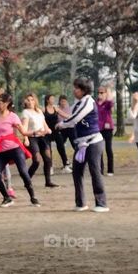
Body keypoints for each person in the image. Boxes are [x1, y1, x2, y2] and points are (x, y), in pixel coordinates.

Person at [56, 78, 108, 212]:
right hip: (81, 144)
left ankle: (101, 204)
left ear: (84, 90)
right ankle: (81, 203)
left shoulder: (89, 102)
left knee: (95, 171)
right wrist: (57, 112)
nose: (74, 90)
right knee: (77, 172)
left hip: (93, 142)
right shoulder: (78, 103)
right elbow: (70, 115)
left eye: (77, 88)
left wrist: (61, 124)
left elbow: (75, 119)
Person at [21, 92, 56, 188]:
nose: (30, 102)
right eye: (28, 100)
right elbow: (24, 128)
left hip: (43, 137)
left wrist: (48, 130)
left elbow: (44, 125)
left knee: (48, 159)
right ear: (25, 101)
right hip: (32, 138)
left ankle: (48, 181)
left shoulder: (39, 111)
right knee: (36, 160)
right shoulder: (25, 112)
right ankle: (27, 180)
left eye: (32, 99)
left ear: (35, 100)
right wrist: (26, 138)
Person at [96, 86, 115, 176]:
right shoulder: (95, 103)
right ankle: (100, 169)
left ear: (106, 94)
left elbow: (111, 104)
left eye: (102, 92)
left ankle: (110, 170)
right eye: (98, 92)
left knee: (108, 149)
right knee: (99, 150)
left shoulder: (107, 103)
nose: (100, 94)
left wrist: (109, 93)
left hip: (108, 128)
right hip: (98, 129)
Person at [43, 95, 64, 172]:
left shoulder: (56, 108)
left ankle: (66, 164)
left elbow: (65, 115)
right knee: (48, 150)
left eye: (54, 98)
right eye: (52, 98)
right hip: (47, 132)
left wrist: (75, 118)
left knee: (61, 146)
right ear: (48, 100)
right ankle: (50, 166)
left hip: (56, 131)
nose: (53, 100)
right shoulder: (43, 109)